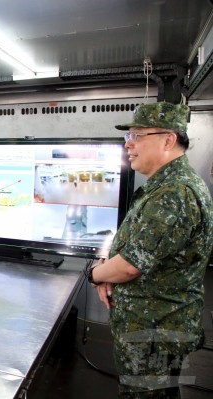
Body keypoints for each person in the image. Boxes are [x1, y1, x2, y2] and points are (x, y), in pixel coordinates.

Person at [86, 102, 213, 398]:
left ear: (168, 140)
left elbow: (130, 265)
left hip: (155, 329)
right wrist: (108, 273)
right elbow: (137, 246)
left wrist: (95, 274)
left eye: (137, 136)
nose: (128, 145)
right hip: (152, 325)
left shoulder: (175, 193)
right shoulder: (165, 186)